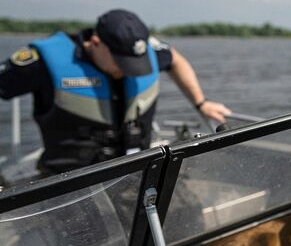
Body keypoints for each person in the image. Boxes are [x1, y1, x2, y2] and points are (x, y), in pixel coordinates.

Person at [0, 9, 230, 176]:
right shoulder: (43, 62)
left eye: (135, 63)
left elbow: (175, 59)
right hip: (70, 185)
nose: (129, 71)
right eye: (121, 63)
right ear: (95, 43)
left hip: (136, 171)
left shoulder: (146, 50)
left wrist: (201, 103)